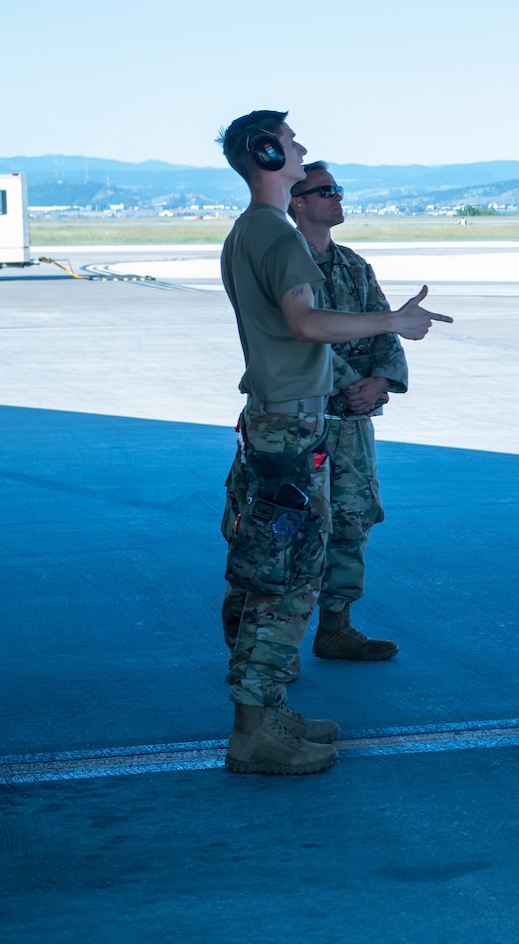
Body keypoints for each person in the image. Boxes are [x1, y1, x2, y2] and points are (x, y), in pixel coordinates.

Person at [216, 111, 450, 775]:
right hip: (291, 424)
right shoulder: (277, 237)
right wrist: (394, 318)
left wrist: (382, 364)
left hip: (286, 421)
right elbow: (305, 320)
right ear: (266, 153)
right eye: (290, 144)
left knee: (285, 567)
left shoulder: (252, 232)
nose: (301, 149)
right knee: (285, 578)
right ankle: (253, 729)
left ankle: (267, 711)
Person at [220, 162, 411, 664]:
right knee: (277, 532)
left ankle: (336, 626)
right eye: (324, 190)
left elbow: (382, 331)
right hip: (300, 422)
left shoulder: (354, 265)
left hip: (351, 427)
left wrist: (382, 382)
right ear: (297, 203)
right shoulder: (283, 256)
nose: (337, 197)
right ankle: (255, 645)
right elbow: (297, 338)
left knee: (354, 522)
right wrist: (352, 385)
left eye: (338, 189)